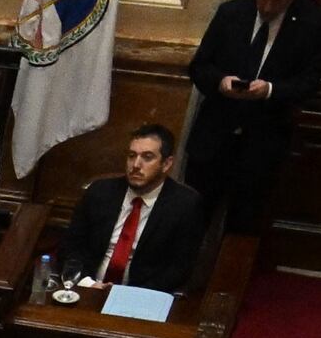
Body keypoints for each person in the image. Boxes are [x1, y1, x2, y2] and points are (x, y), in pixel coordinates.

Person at [182, 0, 321, 248]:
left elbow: (310, 83)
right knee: (191, 221)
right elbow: (199, 66)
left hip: (262, 146)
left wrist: (270, 90)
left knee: (242, 229)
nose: (268, 6)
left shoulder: (312, 23)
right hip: (213, 140)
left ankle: (225, 292)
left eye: (278, 0)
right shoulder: (231, 13)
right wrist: (220, 83)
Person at [52, 121, 206, 300]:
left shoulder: (185, 205)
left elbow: (178, 268)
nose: (136, 165)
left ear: (166, 164)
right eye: (132, 156)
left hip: (142, 298)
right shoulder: (99, 192)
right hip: (87, 289)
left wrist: (126, 295)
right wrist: (88, 283)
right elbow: (70, 246)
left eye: (147, 157)